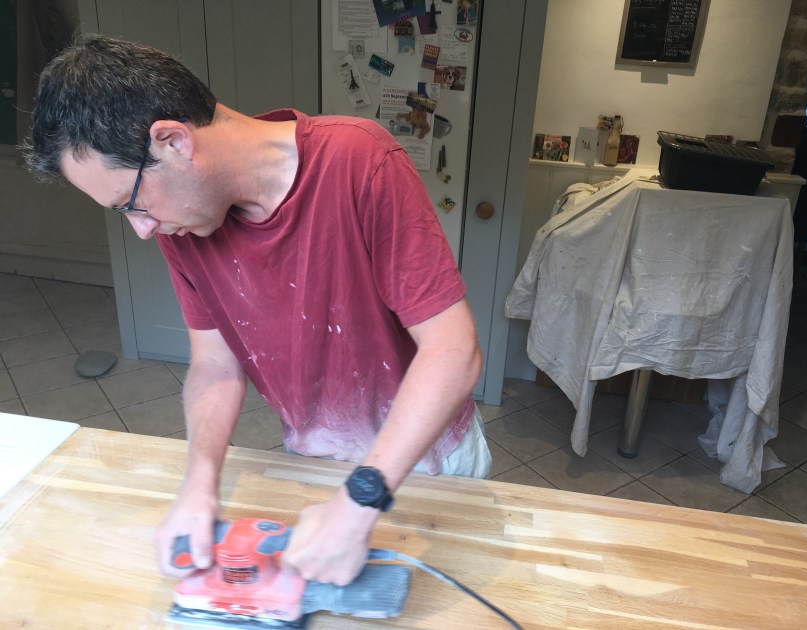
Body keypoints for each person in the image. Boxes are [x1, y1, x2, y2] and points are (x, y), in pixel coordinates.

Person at [24, 35, 491, 587]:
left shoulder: (360, 160)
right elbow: (215, 366)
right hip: (313, 461)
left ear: (173, 142)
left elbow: (453, 350)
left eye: (130, 203)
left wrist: (360, 500)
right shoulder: (182, 225)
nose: (141, 229)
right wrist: (199, 484)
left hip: (427, 462)